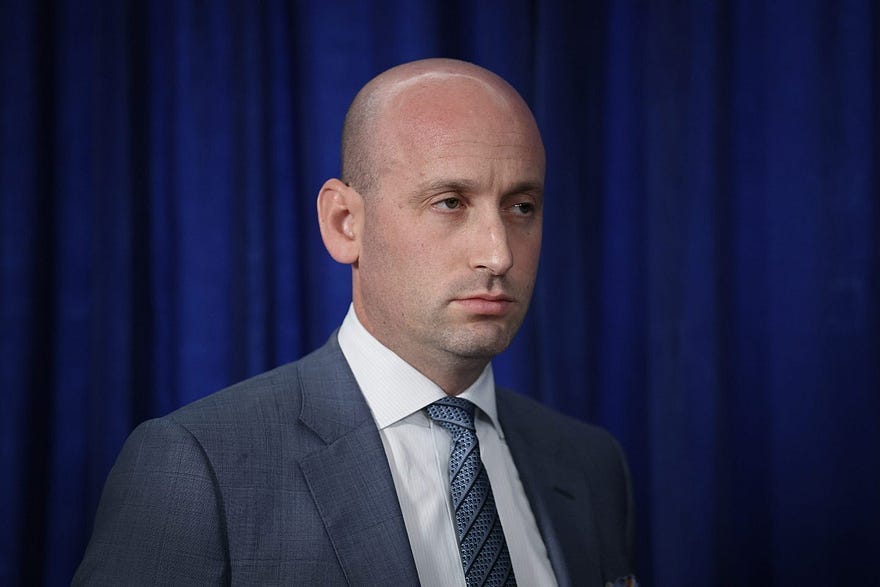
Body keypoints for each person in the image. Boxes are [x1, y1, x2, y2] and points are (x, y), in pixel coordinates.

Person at [74, 58, 637, 587]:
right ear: (345, 223)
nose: (499, 254)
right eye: (450, 202)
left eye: (521, 207)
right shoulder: (198, 469)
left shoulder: (590, 464)